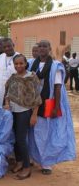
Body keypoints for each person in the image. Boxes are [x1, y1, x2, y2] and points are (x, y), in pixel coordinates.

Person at [28, 40, 76, 175]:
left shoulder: (56, 66)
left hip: (47, 103)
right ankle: (33, 157)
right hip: (31, 102)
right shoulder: (32, 63)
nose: (42, 49)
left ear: (49, 49)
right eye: (40, 46)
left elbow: (57, 88)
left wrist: (56, 107)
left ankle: (46, 163)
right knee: (32, 133)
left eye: (45, 46)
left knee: (44, 134)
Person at [3, 54, 41, 180]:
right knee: (14, 137)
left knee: (21, 139)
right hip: (12, 112)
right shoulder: (13, 77)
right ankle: (19, 162)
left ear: (26, 64)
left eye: (21, 63)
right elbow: (8, 93)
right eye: (16, 64)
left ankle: (26, 167)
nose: (18, 66)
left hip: (24, 112)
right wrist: (7, 104)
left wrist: (34, 115)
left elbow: (37, 98)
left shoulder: (32, 77)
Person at [0, 37, 19, 107]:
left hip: (14, 92)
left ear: (13, 45)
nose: (7, 48)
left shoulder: (19, 57)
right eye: (4, 47)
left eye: (9, 46)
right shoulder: (0, 57)